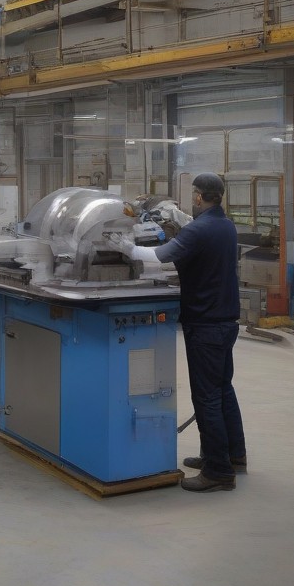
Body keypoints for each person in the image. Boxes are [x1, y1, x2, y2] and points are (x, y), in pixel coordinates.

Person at [113, 172, 246, 493]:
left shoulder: (200, 229)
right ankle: (232, 455)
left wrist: (126, 247)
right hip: (226, 321)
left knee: (207, 397)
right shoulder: (225, 226)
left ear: (199, 197)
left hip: (206, 324)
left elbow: (158, 257)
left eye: (194, 195)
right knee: (223, 389)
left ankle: (218, 471)